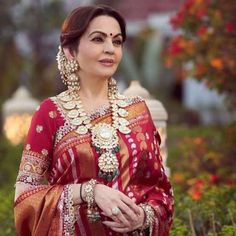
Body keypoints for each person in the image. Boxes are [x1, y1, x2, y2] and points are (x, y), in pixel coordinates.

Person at [14, 5, 174, 236]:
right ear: (71, 51)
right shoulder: (50, 113)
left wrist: (143, 218)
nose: (110, 49)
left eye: (117, 41)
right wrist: (89, 192)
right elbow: (25, 197)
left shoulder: (137, 112)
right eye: (98, 39)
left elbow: (161, 191)